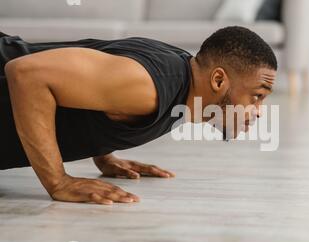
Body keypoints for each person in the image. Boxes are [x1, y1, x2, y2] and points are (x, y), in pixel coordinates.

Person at [0, 26, 277, 205]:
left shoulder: (183, 77)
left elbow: (97, 80)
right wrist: (58, 181)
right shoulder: (150, 86)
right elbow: (26, 74)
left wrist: (104, 151)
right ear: (219, 80)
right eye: (257, 95)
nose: (259, 112)